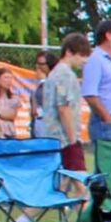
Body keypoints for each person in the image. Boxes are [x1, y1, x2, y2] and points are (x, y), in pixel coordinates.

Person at [33, 33, 89, 170]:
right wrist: (73, 141)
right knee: (78, 177)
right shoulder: (64, 75)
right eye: (82, 55)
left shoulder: (54, 73)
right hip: (65, 140)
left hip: (54, 137)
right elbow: (63, 108)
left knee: (64, 178)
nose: (85, 60)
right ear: (69, 52)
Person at [80, 19, 111, 145]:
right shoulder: (96, 59)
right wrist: (108, 119)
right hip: (104, 124)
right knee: (108, 158)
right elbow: (89, 94)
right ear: (108, 35)